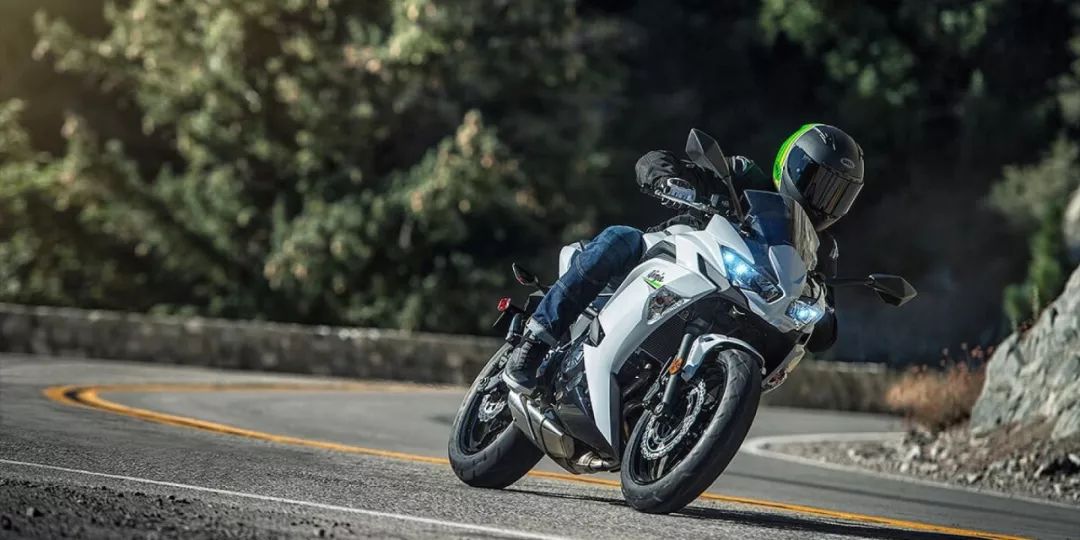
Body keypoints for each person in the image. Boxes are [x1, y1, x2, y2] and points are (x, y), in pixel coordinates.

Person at [503, 124, 865, 394]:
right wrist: (668, 178)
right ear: (790, 163)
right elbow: (655, 162)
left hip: (744, 304)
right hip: (677, 255)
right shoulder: (743, 177)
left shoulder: (820, 250)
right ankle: (535, 342)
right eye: (817, 182)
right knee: (620, 238)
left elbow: (823, 331)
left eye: (838, 194)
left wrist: (822, 314)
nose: (823, 200)